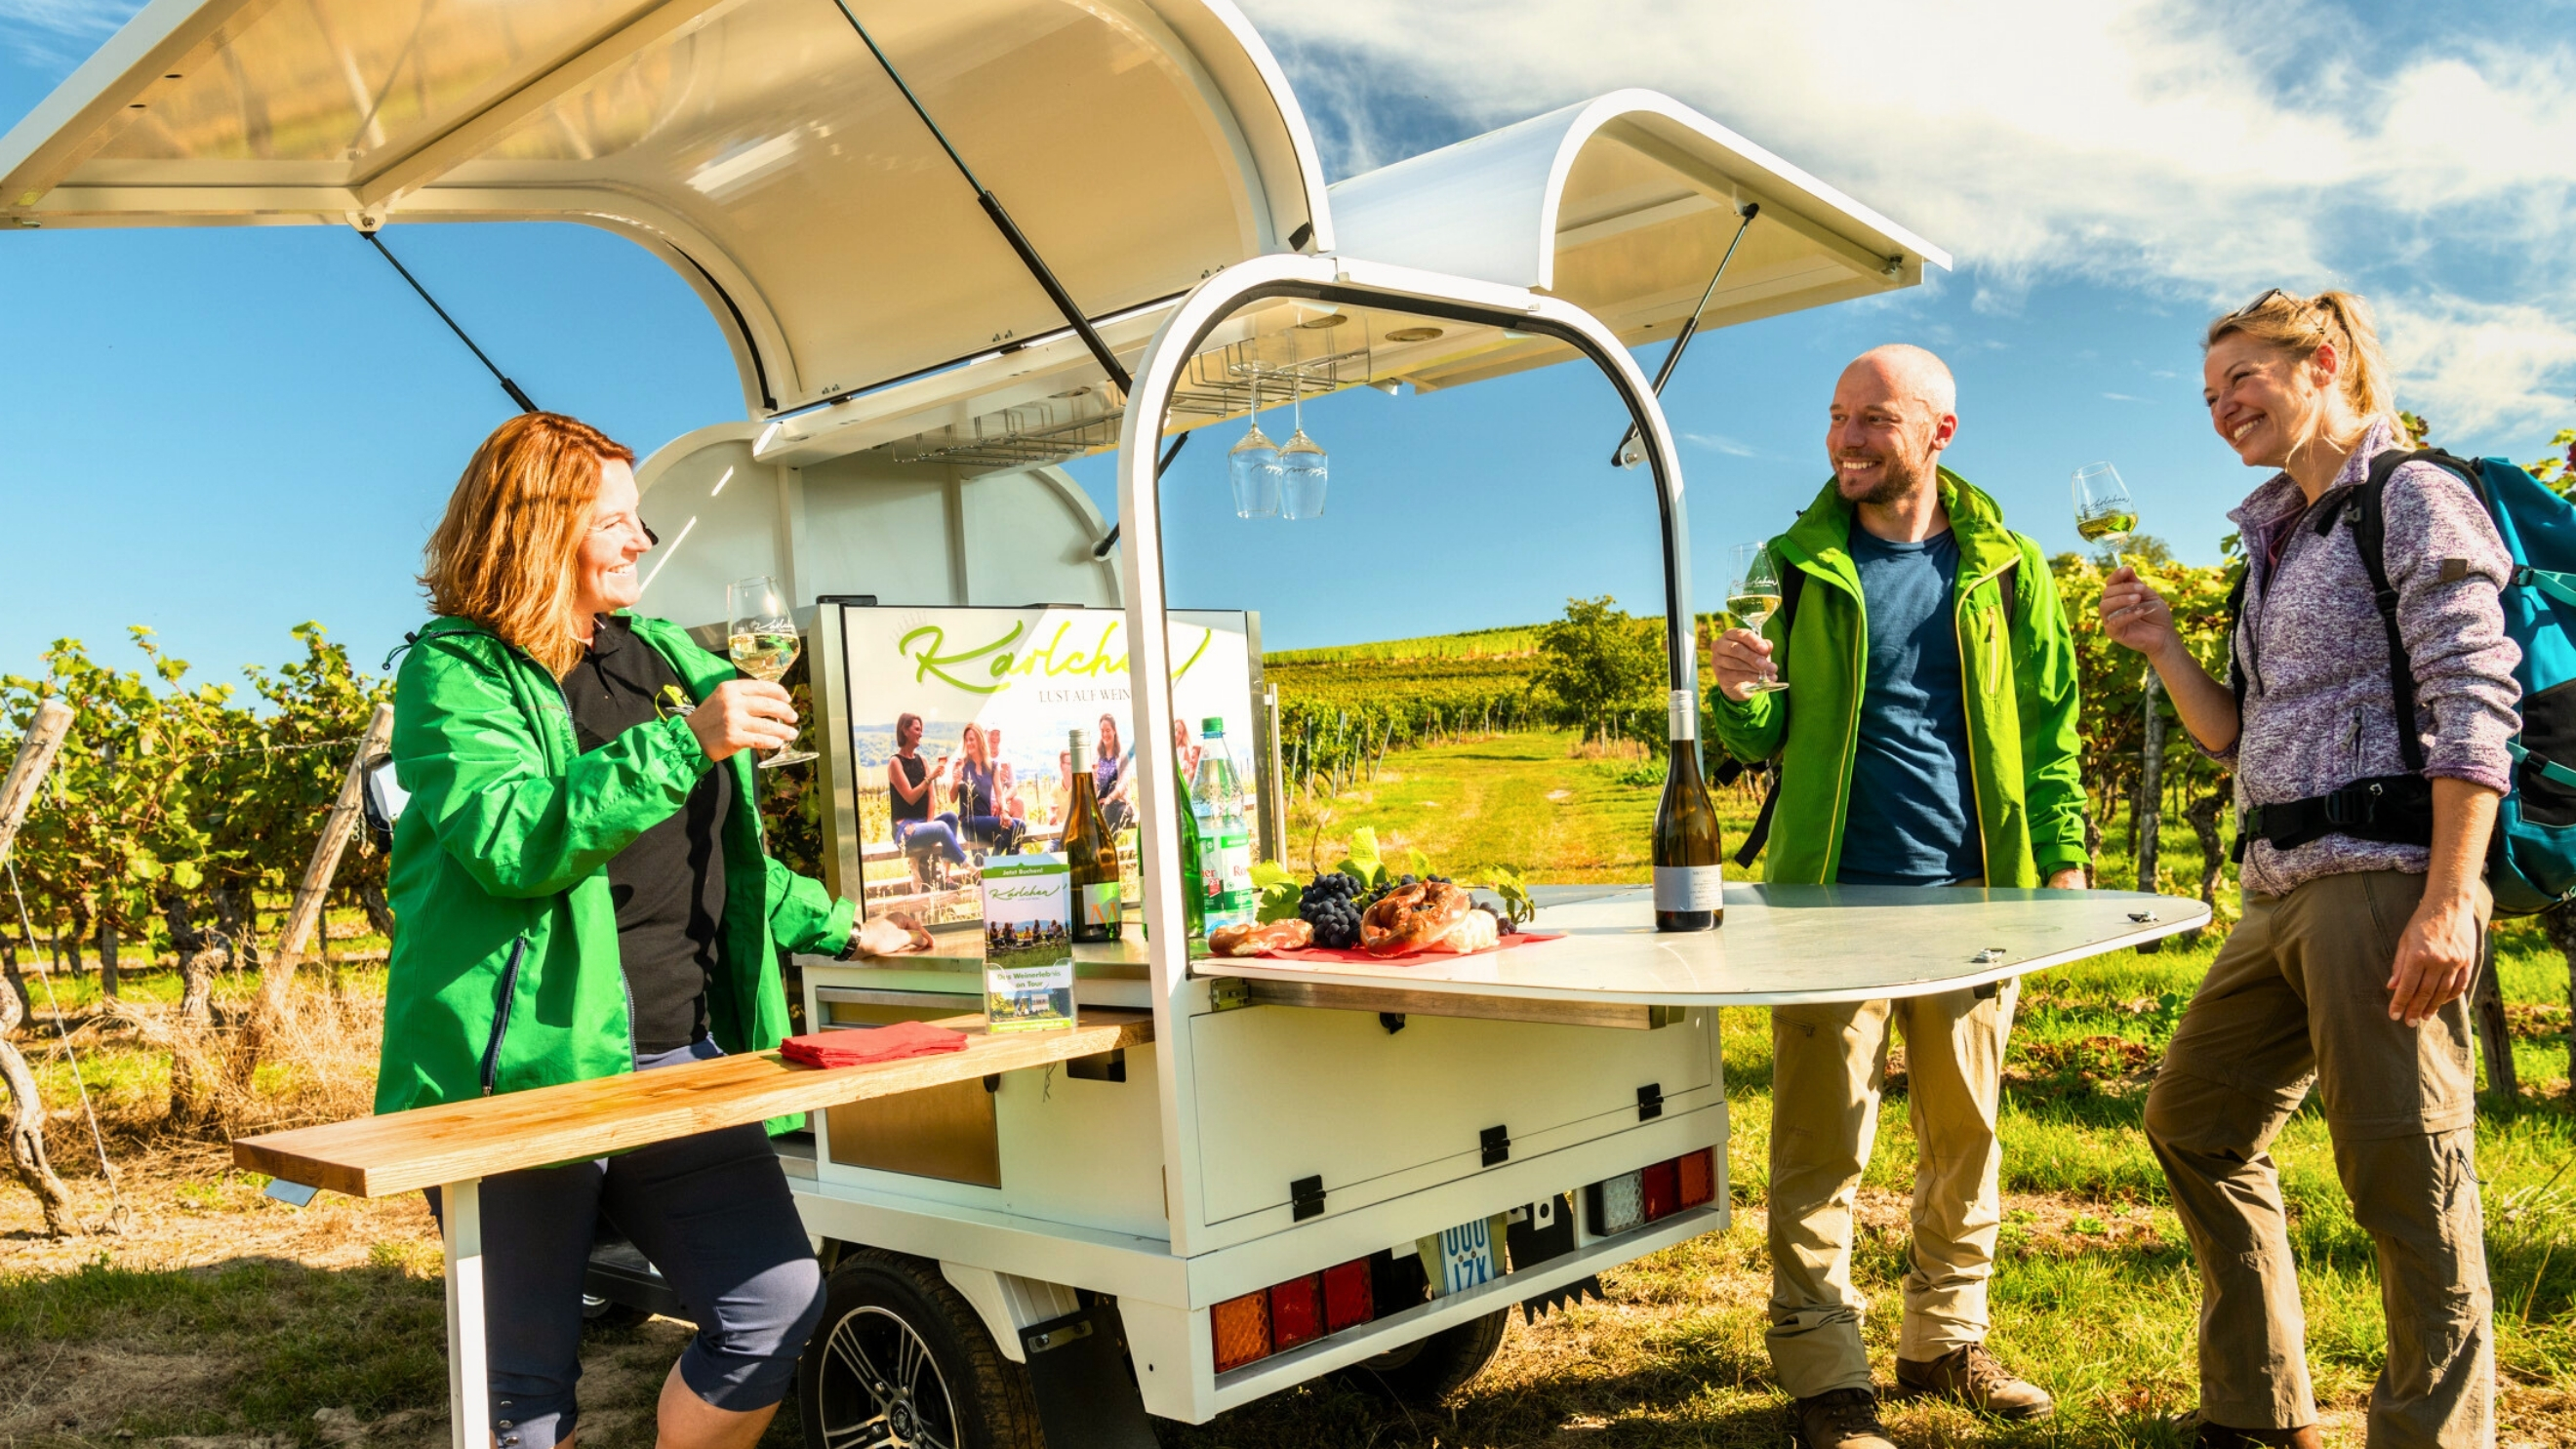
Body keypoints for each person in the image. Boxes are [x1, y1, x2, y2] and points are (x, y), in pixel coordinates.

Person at [377, 413, 871, 1449]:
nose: (642, 541)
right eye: (612, 521)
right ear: (533, 529)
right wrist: (687, 742)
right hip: (520, 1077)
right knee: (523, 1397)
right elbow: (513, 842)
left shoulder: (658, 654)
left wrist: (848, 926)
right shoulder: (454, 674)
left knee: (772, 1303)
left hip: (675, 1057)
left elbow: (712, 858)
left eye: (638, 518)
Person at [2103, 290, 2515, 1449]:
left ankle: (2431, 1437)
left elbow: (2477, 705)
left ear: (2323, 361)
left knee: (2407, 1184)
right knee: (2194, 1122)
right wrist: (2168, 648)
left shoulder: (2412, 496)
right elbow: (2237, 734)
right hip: (2275, 891)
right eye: (2209, 392)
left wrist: (2447, 900)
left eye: (2243, 378)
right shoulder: (2278, 536)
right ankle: (2258, 1409)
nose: (2222, 406)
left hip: (2382, 882)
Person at [1711, 344, 2085, 1449]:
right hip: (1829, 901)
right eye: (1835, 418)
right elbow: (1761, 735)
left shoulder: (2008, 568)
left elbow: (2052, 727)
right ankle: (1826, 1370)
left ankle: (1944, 1341)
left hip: (1976, 897)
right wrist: (1736, 696)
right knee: (1821, 1142)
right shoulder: (1793, 563)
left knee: (1964, 1134)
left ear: (1939, 432)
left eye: (1873, 418)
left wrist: (2057, 863)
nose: (1846, 440)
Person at [887, 712, 966, 882]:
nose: (921, 733)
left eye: (921, 729)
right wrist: (930, 778)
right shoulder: (895, 762)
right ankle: (967, 865)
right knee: (941, 828)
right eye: (917, 729)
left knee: (951, 818)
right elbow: (910, 797)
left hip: (922, 825)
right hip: (904, 829)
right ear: (905, 731)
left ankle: (945, 874)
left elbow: (931, 797)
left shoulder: (922, 760)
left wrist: (929, 824)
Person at [1094, 712, 1134, 832]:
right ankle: (1106, 848)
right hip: (1101, 803)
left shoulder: (1122, 755)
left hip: (1119, 803)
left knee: (1122, 815)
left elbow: (1123, 784)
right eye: (1102, 731)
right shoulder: (1095, 756)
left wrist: (1110, 799)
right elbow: (1092, 783)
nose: (1105, 734)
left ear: (1114, 731)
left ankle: (1107, 846)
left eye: (1108, 730)